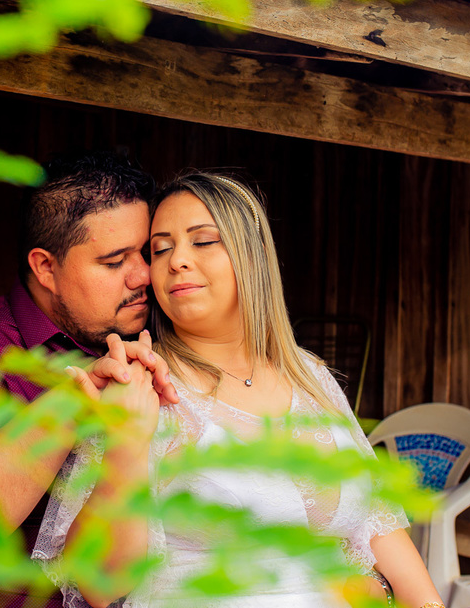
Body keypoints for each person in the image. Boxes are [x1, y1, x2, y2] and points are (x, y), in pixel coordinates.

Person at [34, 172, 446, 608]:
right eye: (161, 249)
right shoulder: (141, 384)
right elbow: (99, 586)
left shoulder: (310, 376)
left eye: (203, 240)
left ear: (254, 254)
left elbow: (380, 527)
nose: (177, 261)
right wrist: (127, 442)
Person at [0, 151, 179, 608]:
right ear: (45, 267)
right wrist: (69, 406)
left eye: (146, 253)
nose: (144, 275)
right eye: (114, 262)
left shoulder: (165, 335)